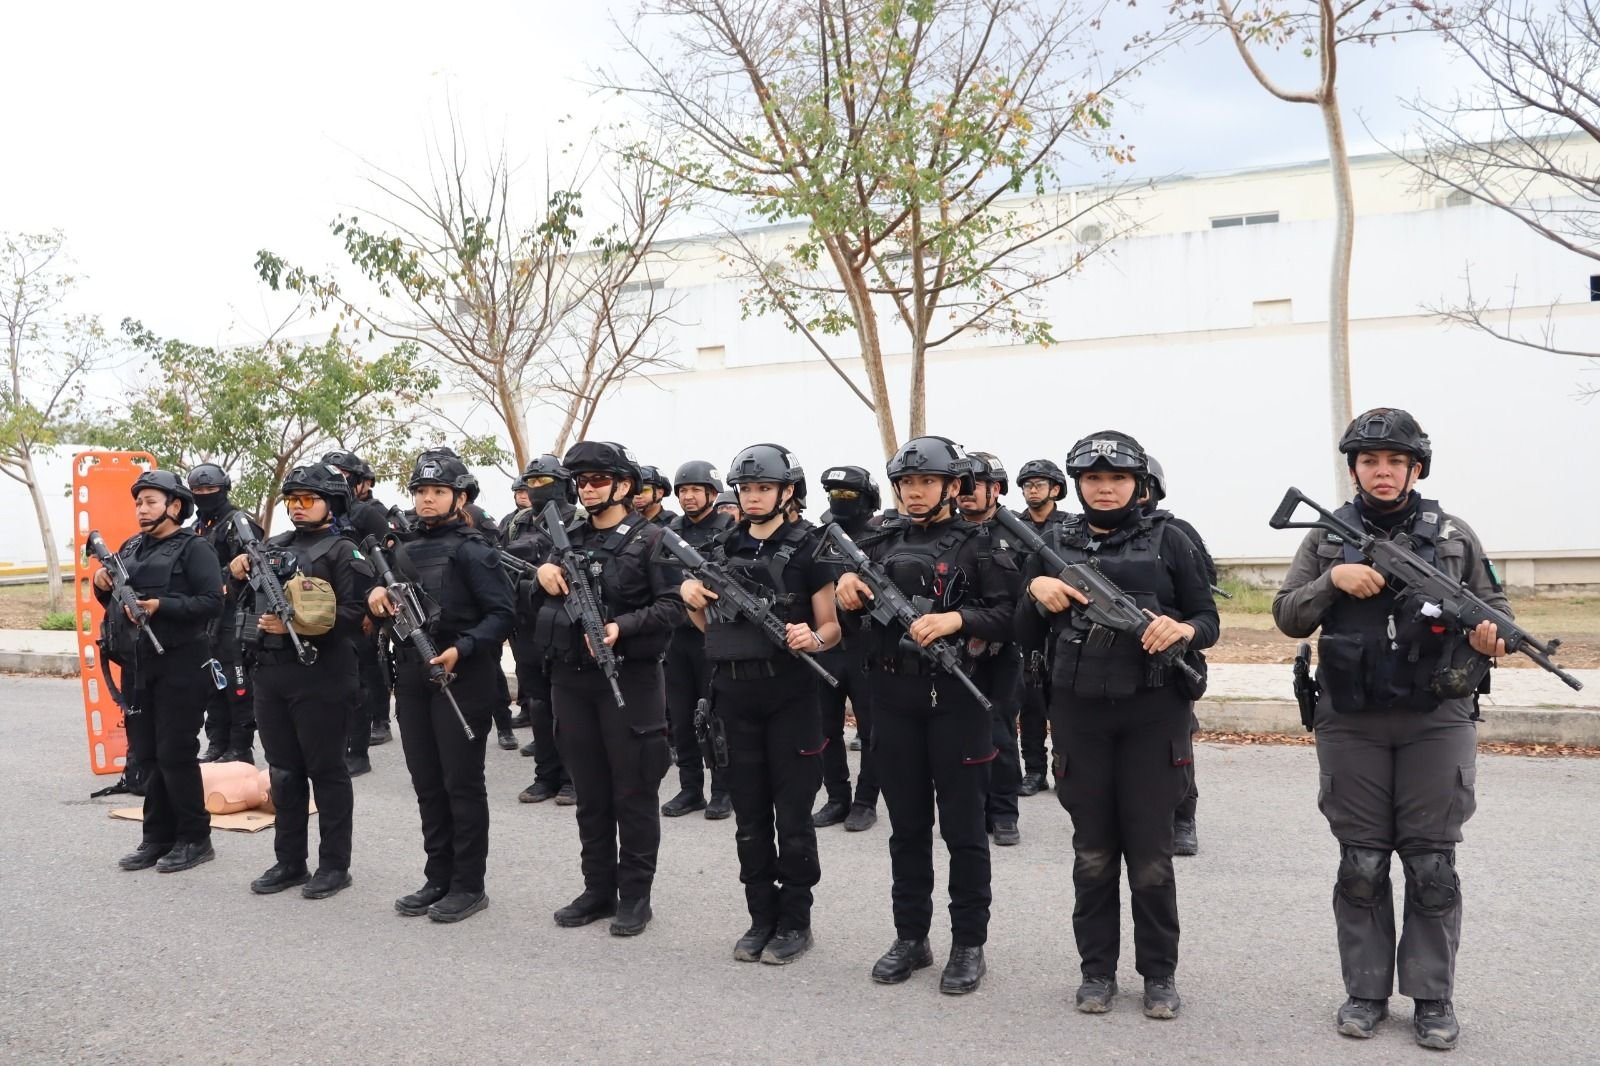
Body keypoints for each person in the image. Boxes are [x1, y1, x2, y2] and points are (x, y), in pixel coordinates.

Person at [1272, 408, 1500, 1050]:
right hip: (1351, 718)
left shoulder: (1453, 535)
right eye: (1369, 461)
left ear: (1415, 469)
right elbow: (1288, 615)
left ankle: (1432, 998)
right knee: (1363, 863)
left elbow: (1496, 608)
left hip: (1437, 717)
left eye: (1396, 461)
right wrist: (1332, 580)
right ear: (1354, 469)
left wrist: (1491, 639)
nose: (1382, 471)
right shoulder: (1326, 536)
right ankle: (1365, 993)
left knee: (1431, 866)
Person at [1015, 431, 1217, 1020]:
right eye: (1094, 479)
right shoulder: (1052, 542)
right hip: (1079, 716)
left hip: (1153, 715)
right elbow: (1021, 633)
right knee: (1093, 853)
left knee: (1151, 856)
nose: (1106, 489)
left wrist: (1184, 630)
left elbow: (1208, 618)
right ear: (1077, 485)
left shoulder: (1172, 538)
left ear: (1139, 484)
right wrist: (1036, 591)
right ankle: (1096, 972)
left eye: (1118, 478)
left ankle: (1159, 975)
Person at [834, 436, 1017, 995]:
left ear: (952, 485)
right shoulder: (879, 541)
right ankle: (911, 938)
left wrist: (958, 620)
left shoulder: (982, 545)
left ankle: (968, 944)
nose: (914, 493)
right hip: (893, 699)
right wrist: (846, 589)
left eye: (927, 482)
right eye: (907, 483)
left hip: (956, 702)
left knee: (964, 831)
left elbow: (1010, 616)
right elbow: (854, 614)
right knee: (907, 829)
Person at [681, 444, 841, 964]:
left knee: (792, 818)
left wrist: (811, 638)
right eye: (746, 489)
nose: (753, 497)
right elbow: (709, 630)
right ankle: (760, 918)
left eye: (764, 488)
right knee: (749, 819)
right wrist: (691, 598)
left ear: (787, 491)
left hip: (790, 696)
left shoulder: (810, 547)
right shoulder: (720, 548)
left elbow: (832, 627)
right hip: (732, 696)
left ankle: (795, 921)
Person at [533, 441, 684, 937]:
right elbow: (537, 595)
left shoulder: (653, 539)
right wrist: (543, 573)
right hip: (572, 680)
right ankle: (597, 890)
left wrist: (622, 626)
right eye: (582, 482)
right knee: (590, 794)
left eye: (598, 480)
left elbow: (673, 606)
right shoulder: (568, 537)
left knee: (634, 793)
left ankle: (635, 896)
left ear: (623, 485)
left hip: (629, 680)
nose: (589, 489)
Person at [368, 453, 516, 923]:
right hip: (413, 677)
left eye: (437, 491)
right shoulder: (403, 549)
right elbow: (386, 599)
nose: (427, 499)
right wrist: (375, 595)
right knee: (427, 784)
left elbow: (503, 615)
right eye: (420, 492)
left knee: (461, 784)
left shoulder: (473, 549)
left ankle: (469, 885)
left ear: (460, 497)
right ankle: (438, 877)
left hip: (461, 677)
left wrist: (462, 648)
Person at [229, 463, 374, 900]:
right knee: (283, 773)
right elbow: (238, 600)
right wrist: (234, 571)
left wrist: (301, 623)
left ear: (332, 503)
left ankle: (334, 866)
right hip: (271, 673)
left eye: (307, 499)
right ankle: (290, 861)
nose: (297, 507)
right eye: (292, 500)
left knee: (326, 772)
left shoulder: (344, 552)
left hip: (322, 675)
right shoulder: (272, 546)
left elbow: (358, 615)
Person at [95, 470, 224, 874]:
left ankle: (195, 838)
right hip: (138, 665)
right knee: (147, 754)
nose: (141, 509)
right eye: (138, 502)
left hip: (182, 664)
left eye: (150, 501)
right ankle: (157, 837)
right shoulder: (131, 548)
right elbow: (115, 604)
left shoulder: (195, 549)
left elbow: (212, 602)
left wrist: (160, 606)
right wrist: (102, 583)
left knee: (175, 753)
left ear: (175, 506)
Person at [1140, 454, 1217, 859]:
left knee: (1177, 746)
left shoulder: (1176, 532)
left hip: (1171, 655)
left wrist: (1178, 625)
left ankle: (1184, 817)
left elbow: (1203, 592)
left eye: (1142, 485)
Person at [661, 460, 738, 819]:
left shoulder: (729, 530)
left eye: (695, 490)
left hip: (713, 635)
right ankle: (690, 789)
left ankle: (722, 790)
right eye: (683, 490)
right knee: (680, 717)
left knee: (716, 717)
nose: (688, 496)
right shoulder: (668, 531)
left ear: (711, 493)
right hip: (675, 638)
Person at [957, 451, 1026, 848]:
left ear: (995, 489)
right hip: (953, 650)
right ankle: (972, 808)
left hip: (1001, 650)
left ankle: (1003, 812)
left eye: (975, 486)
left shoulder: (1017, 533)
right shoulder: (949, 532)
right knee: (959, 734)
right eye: (960, 486)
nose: (966, 493)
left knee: (999, 731)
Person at [812, 465, 882, 833]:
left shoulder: (884, 538)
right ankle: (837, 798)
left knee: (871, 730)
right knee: (825, 728)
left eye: (849, 495)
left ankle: (866, 801)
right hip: (826, 646)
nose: (841, 500)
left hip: (866, 648)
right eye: (834, 494)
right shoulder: (817, 538)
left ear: (868, 499)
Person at [505, 455, 577, 805]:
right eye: (530, 483)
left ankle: (573, 778)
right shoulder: (517, 523)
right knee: (538, 704)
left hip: (565, 625)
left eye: (543, 482)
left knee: (568, 707)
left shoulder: (578, 521)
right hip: (526, 625)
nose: (536, 489)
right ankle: (545, 776)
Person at [324, 450, 396, 775]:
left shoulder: (366, 514)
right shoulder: (319, 516)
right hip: (328, 612)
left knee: (362, 679)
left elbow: (388, 561)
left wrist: (373, 610)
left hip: (362, 607)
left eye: (342, 474)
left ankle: (361, 748)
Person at [187, 464, 262, 765]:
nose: (205, 494)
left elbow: (256, 565)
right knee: (212, 683)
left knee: (236, 684)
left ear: (224, 489)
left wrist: (229, 575)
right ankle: (217, 743)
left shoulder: (240, 524)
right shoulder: (197, 528)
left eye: (211, 489)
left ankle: (240, 748)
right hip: (207, 618)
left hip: (236, 616)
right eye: (198, 490)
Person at [1013, 458, 1071, 798]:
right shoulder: (1010, 526)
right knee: (1030, 702)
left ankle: (1063, 769)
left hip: (1061, 623)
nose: (1032, 490)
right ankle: (1034, 771)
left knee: (1063, 703)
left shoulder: (1070, 526)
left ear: (1056, 489)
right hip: (1026, 622)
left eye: (1039, 484)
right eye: (1027, 485)